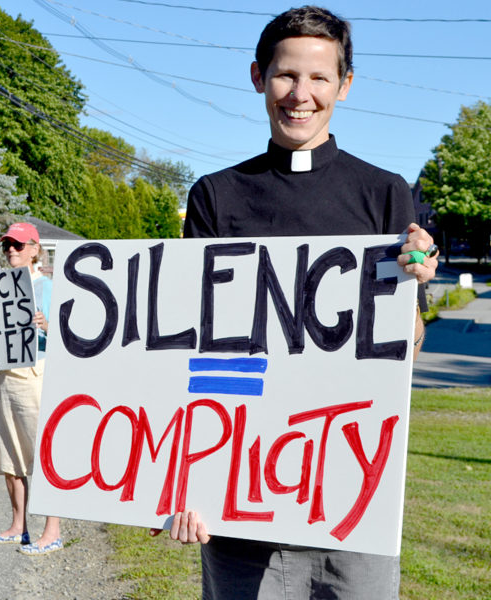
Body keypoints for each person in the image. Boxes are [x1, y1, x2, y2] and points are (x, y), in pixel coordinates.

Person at [157, 6, 439, 599]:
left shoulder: (385, 193)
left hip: (351, 498)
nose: (300, 95)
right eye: (286, 75)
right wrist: (189, 480)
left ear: (345, 84)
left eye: (318, 78)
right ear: (258, 76)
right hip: (237, 498)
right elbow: (191, 351)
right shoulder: (215, 194)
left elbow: (406, 342)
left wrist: (411, 294)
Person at [0, 222, 62, 556]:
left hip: (32, 374)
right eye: (6, 245)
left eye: (17, 244)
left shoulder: (49, 287)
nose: (11, 250)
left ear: (34, 248)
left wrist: (48, 325)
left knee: (40, 453)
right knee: (8, 453)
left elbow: (74, 335)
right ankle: (18, 526)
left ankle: (52, 532)